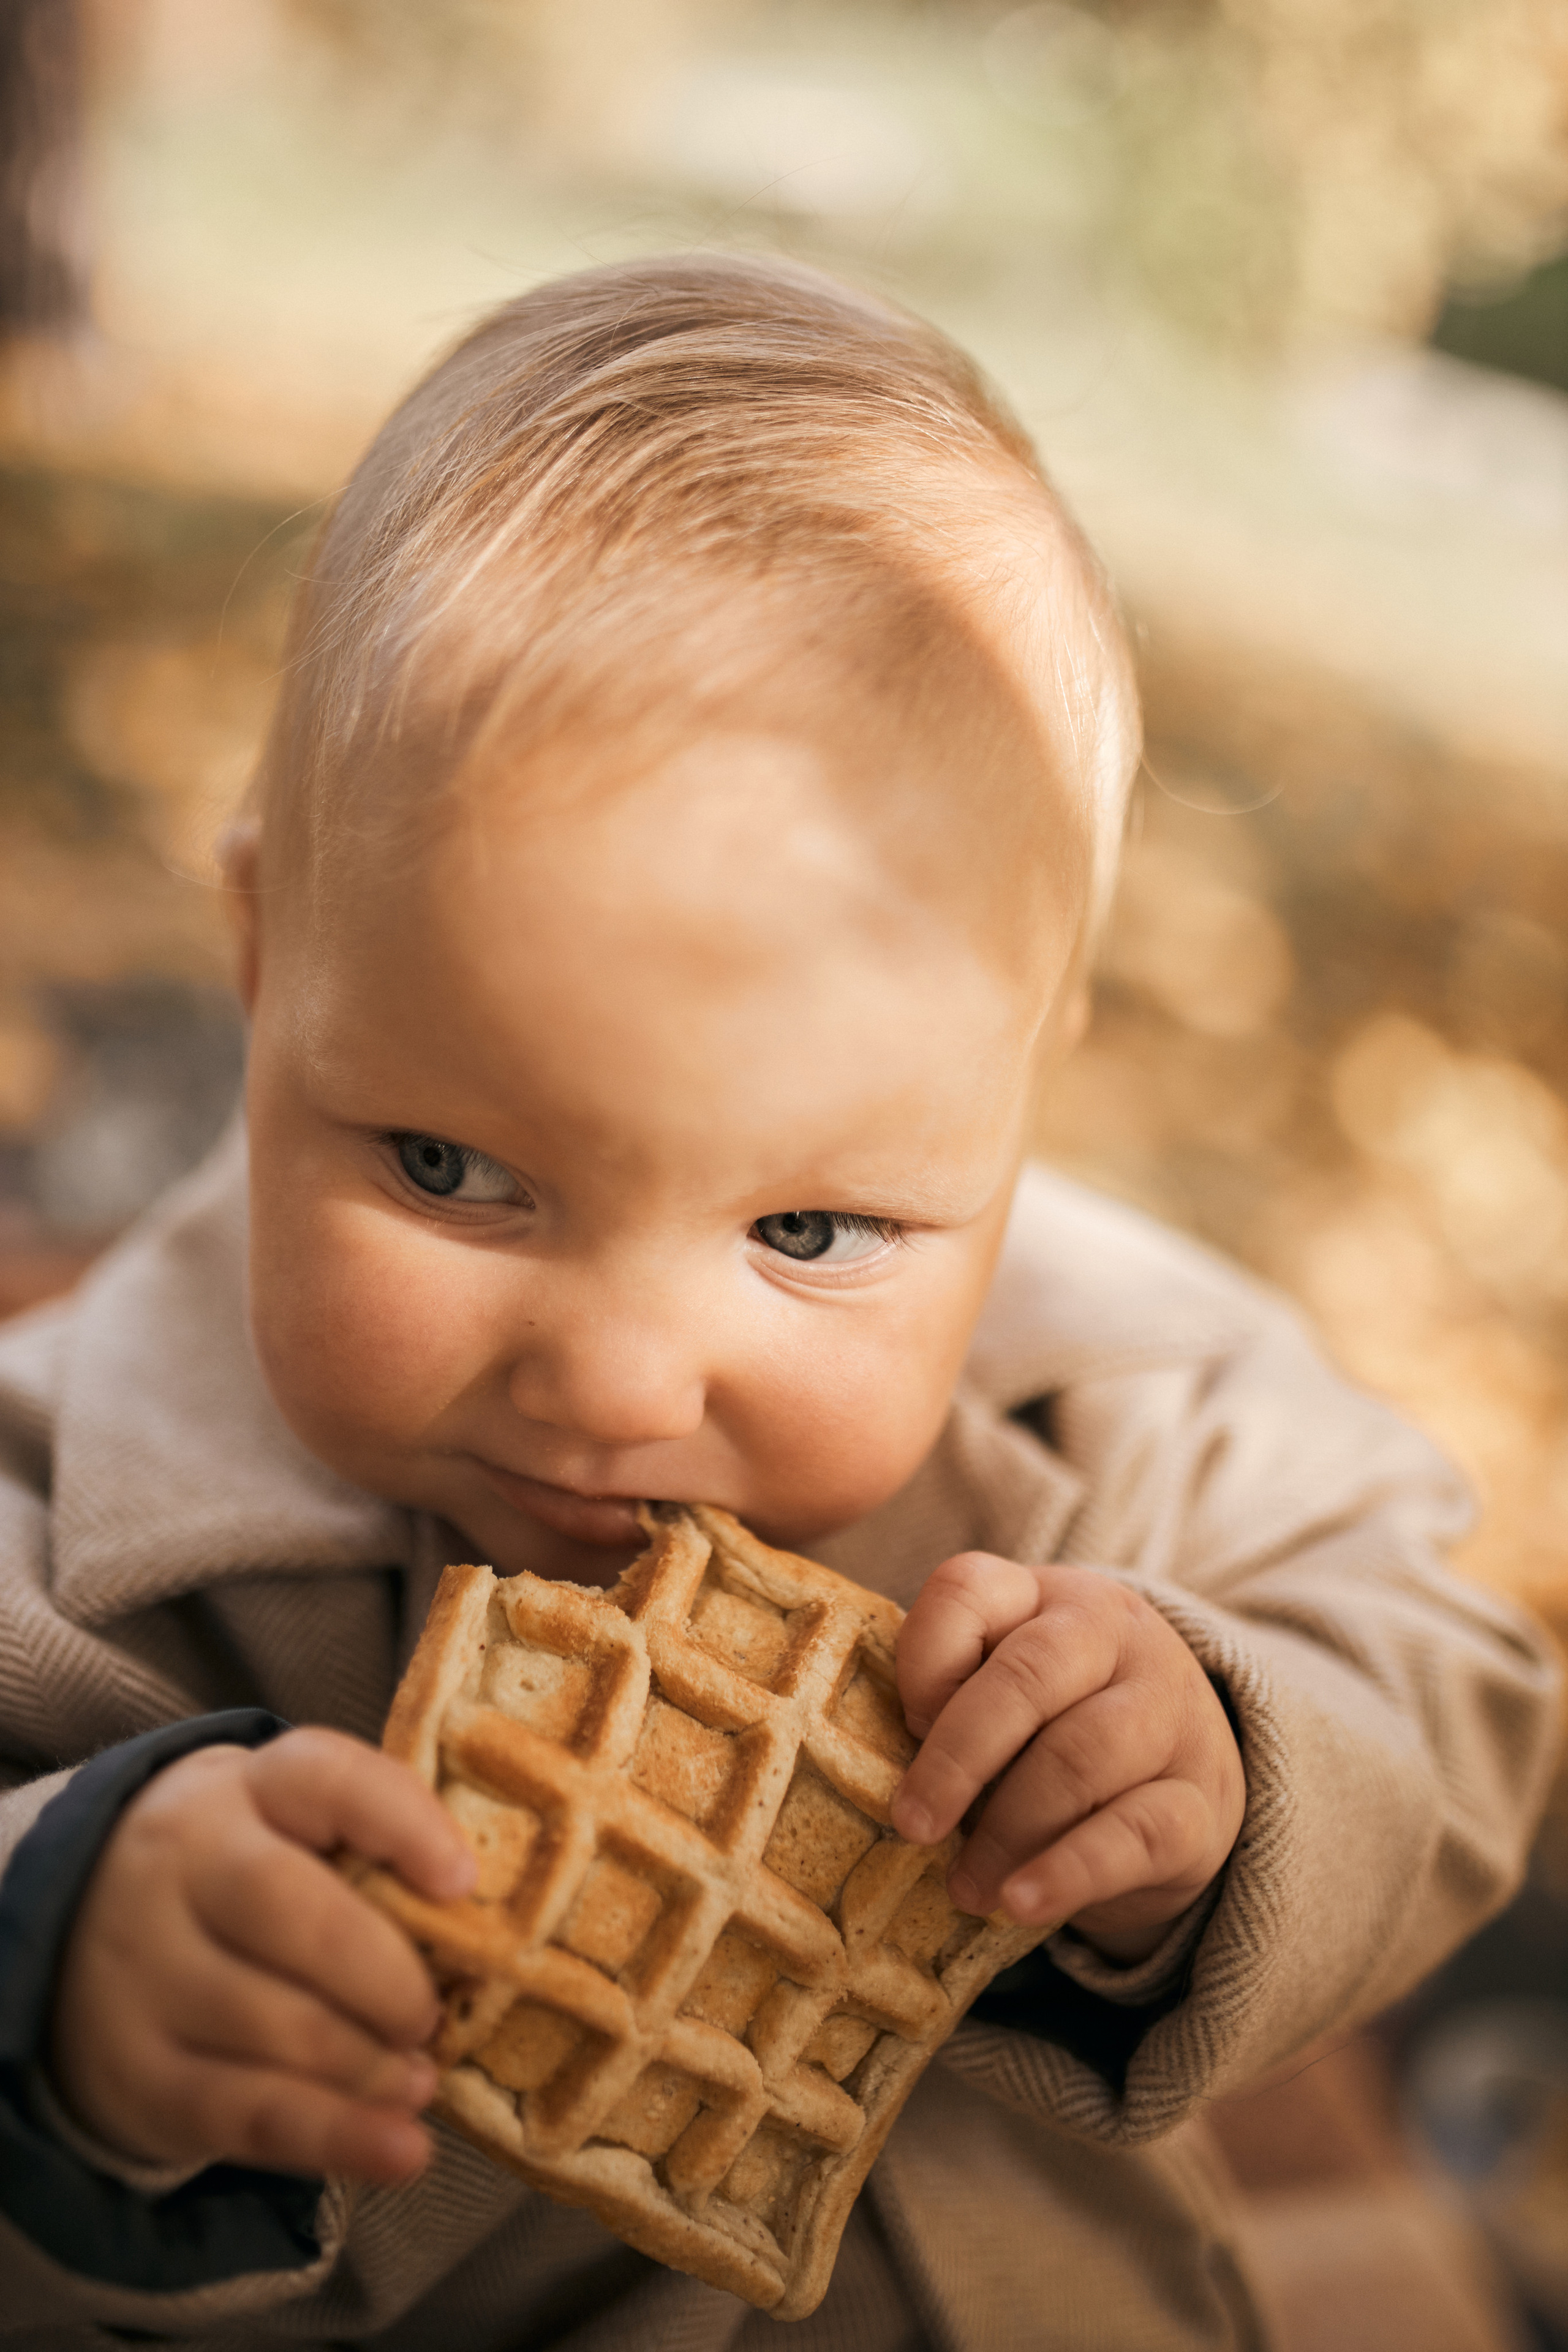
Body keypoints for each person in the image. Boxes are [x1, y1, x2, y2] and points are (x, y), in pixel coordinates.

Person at [0, 254, 1556, 2351]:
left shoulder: (1130, 1402)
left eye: (813, 1232)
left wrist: (1233, 1762)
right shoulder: (58, 1518)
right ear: (269, 954)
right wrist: (54, 1977)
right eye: (451, 1172)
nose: (619, 1381)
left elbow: (1455, 1689)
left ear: (1023, 1077)